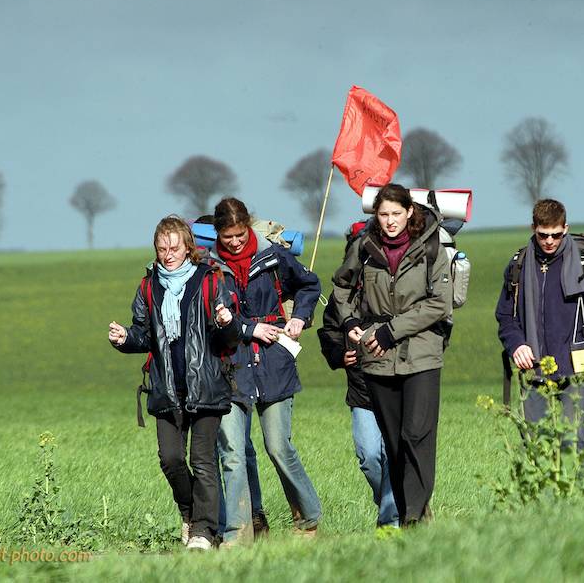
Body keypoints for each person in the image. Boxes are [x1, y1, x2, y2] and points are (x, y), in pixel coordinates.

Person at [108, 216, 240, 551]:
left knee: (203, 461)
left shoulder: (209, 280)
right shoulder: (148, 285)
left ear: (187, 248)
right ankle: (190, 511)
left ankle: (204, 532)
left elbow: (230, 336)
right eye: (162, 248)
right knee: (170, 459)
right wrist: (125, 338)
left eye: (174, 248)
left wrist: (226, 321)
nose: (168, 254)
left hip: (206, 384)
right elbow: (144, 334)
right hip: (166, 387)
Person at [332, 183, 452, 526]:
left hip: (423, 353)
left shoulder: (430, 247)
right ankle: (407, 512)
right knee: (395, 442)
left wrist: (392, 330)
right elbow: (341, 288)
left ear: (409, 212)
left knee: (417, 435)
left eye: (396, 213)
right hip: (377, 356)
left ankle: (414, 516)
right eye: (383, 215)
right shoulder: (364, 247)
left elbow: (439, 304)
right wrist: (351, 320)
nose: (389, 221)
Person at [210, 197, 322, 540]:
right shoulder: (210, 268)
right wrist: (242, 328)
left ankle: (308, 519)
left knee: (278, 447)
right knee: (232, 452)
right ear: (218, 233)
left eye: (239, 234)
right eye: (227, 236)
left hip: (274, 361)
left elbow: (310, 285)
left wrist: (301, 316)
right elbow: (207, 315)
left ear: (248, 225)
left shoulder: (274, 256)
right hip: (230, 365)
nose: (234, 242)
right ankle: (240, 533)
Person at [495, 199, 584, 450]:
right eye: (543, 235)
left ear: (566, 228)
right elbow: (505, 316)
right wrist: (516, 345)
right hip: (533, 367)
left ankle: (574, 491)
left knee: (575, 443)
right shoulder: (518, 265)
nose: (550, 241)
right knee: (534, 446)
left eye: (556, 235)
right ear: (533, 228)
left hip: (575, 369)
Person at [318, 221, 398, 528]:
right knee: (369, 457)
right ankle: (392, 500)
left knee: (392, 454)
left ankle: (391, 521)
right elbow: (329, 330)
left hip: (395, 380)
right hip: (361, 388)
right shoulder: (343, 291)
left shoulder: (396, 281)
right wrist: (339, 355)